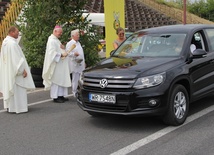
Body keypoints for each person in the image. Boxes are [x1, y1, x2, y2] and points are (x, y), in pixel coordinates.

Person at [0, 26, 35, 113]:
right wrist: (22, 70)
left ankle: (11, 107)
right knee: (18, 89)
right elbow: (16, 59)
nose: (18, 33)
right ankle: (19, 107)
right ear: (11, 32)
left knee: (11, 87)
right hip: (15, 72)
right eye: (17, 32)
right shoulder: (12, 44)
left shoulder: (5, 42)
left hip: (8, 71)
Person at [42, 25, 71, 103]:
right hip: (56, 64)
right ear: (55, 31)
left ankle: (61, 95)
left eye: (61, 32)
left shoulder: (56, 40)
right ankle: (55, 96)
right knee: (56, 81)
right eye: (60, 32)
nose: (61, 34)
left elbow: (59, 49)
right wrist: (61, 55)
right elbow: (51, 53)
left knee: (61, 80)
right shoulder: (51, 40)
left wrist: (64, 49)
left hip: (60, 64)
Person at [66, 29, 85, 97]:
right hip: (75, 63)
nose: (78, 36)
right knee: (75, 78)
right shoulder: (70, 43)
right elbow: (68, 53)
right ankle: (74, 91)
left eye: (78, 35)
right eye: (77, 35)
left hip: (80, 63)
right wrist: (74, 54)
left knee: (80, 77)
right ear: (73, 36)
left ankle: (79, 90)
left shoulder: (78, 43)